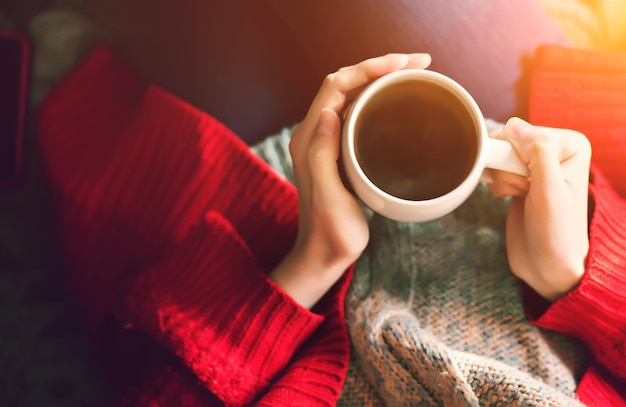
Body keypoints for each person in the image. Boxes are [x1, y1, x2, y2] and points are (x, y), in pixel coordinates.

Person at [37, 41, 626, 406]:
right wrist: (573, 278)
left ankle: (73, 76)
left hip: (282, 262)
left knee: (212, 71)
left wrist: (315, 257)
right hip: (512, 237)